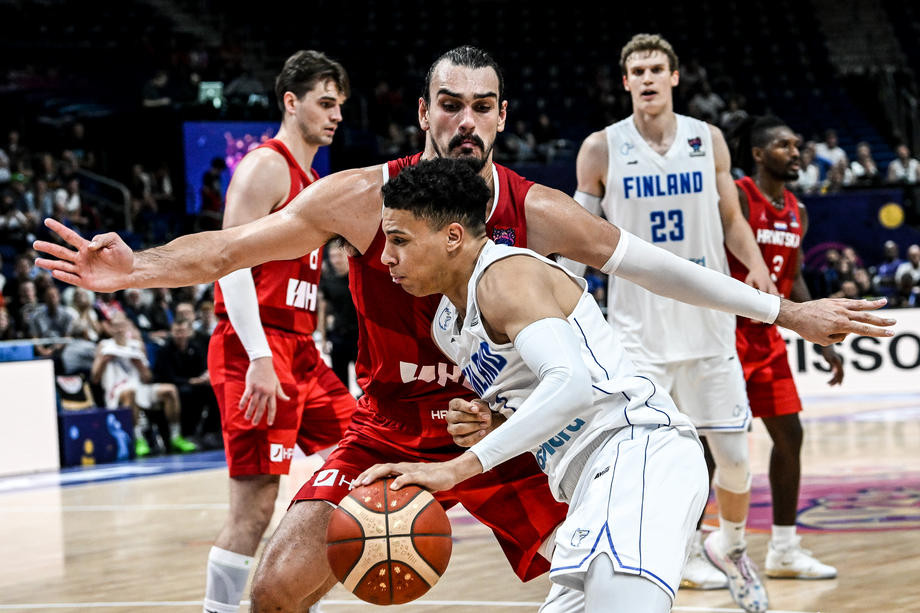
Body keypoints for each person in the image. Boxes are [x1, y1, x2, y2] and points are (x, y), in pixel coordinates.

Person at [34, 45, 895, 613]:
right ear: (424, 111)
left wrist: (787, 309)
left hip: (509, 433)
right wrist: (134, 268)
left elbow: (651, 264)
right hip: (385, 426)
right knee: (276, 588)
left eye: (483, 107)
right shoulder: (360, 197)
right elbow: (230, 248)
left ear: (503, 117)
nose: (466, 122)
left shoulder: (534, 209)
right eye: (450, 104)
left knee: (604, 586)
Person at [359, 157, 709, 613]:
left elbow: (570, 385)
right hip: (586, 486)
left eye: (399, 240)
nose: (385, 256)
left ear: (452, 236)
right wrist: (492, 420)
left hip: (635, 452)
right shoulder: (446, 326)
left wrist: (455, 469)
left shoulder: (506, 276)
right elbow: (544, 399)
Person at [569, 33, 773, 611]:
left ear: (675, 77)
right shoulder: (601, 148)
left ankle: (731, 548)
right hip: (638, 337)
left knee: (735, 462)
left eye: (656, 68)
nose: (648, 78)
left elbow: (730, 218)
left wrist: (756, 264)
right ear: (625, 81)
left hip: (708, 330)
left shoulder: (708, 140)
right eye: (637, 71)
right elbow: (579, 237)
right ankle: (654, 568)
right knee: (646, 466)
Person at [202, 50, 359, 613]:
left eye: (340, 105)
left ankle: (292, 600)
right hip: (255, 348)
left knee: (357, 459)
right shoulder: (265, 167)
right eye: (325, 102)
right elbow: (229, 263)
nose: (336, 114)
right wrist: (260, 357)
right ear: (291, 102)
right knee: (254, 507)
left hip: (300, 350)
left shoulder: (313, 181)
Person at [729, 115, 842, 579]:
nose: (796, 153)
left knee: (790, 436)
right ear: (758, 154)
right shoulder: (738, 196)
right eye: (784, 145)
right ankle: (697, 549)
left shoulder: (798, 209)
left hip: (767, 335)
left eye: (797, 145)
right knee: (716, 444)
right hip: (726, 332)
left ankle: (783, 549)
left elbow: (791, 279)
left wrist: (822, 337)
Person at [90, 313, 196, 457]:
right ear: (110, 328)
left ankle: (175, 437)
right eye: (116, 326)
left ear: (128, 326)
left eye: (122, 325)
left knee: (170, 390)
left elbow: (148, 378)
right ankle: (139, 439)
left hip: (139, 387)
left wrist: (139, 365)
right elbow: (95, 379)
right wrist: (104, 361)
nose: (119, 329)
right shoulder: (104, 346)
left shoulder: (137, 345)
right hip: (116, 390)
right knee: (130, 392)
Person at [318, 243, 358, 389]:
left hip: (359, 336)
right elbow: (322, 310)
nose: (336, 260)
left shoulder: (357, 277)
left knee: (364, 379)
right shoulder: (328, 281)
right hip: (338, 336)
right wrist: (323, 339)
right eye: (332, 256)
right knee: (340, 382)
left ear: (347, 256)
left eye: (339, 256)